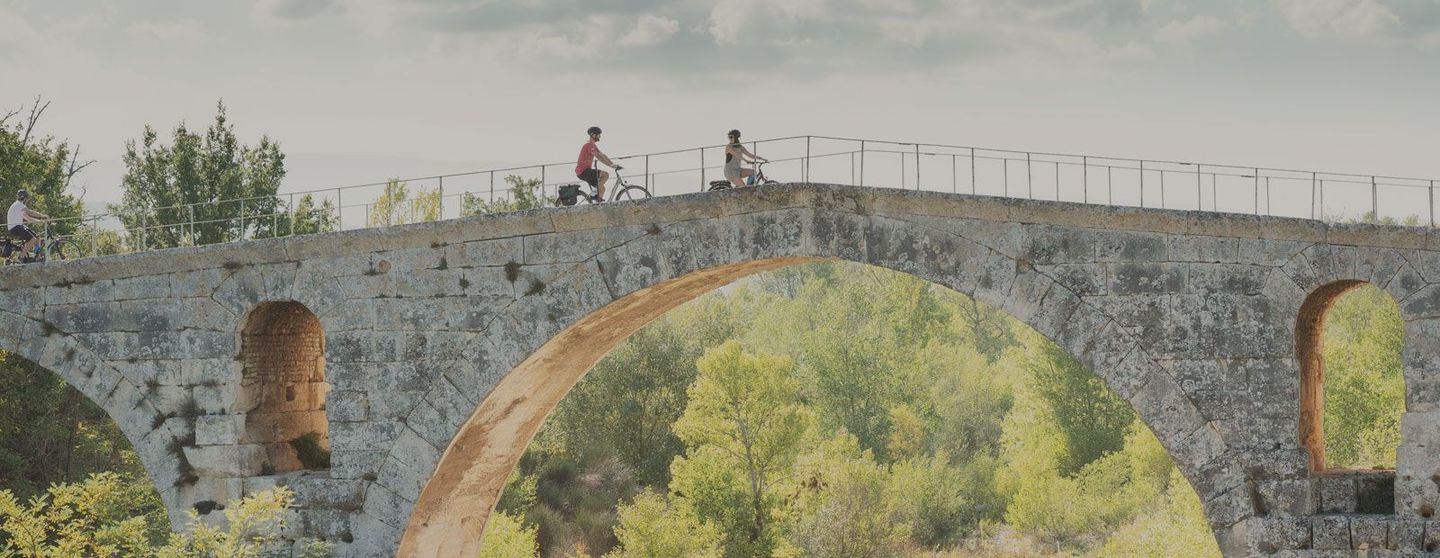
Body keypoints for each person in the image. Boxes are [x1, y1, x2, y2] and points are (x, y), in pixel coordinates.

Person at [576, 126, 621, 202]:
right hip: (583, 171)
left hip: (586, 171)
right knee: (605, 175)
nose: (600, 136)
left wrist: (613, 164)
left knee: (602, 189)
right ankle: (594, 193)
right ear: (593, 135)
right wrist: (610, 165)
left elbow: (602, 155)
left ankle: (598, 205)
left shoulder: (593, 145)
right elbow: (598, 157)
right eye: (598, 135)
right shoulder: (588, 145)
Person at [7, 189, 49, 263]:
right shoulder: (19, 204)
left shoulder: (18, 206)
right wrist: (43, 216)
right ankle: (21, 257)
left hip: (18, 226)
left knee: (37, 238)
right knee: (32, 239)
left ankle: (37, 257)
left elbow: (28, 218)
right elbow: (30, 212)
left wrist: (41, 221)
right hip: (15, 227)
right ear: (25, 198)